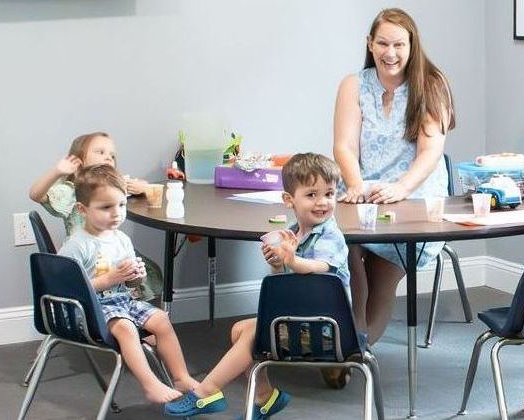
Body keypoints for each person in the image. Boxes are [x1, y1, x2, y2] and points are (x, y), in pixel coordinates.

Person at [164, 153, 349, 418]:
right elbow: (287, 283)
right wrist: (278, 263)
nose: (322, 202)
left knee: (252, 334)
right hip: (300, 320)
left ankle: (207, 391)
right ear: (289, 200)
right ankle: (265, 398)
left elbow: (319, 267)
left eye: (329, 194)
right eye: (312, 195)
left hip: (327, 329)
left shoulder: (330, 236)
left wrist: (292, 260)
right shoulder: (294, 232)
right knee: (240, 329)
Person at [333, 8, 455, 347]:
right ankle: (350, 336)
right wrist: (355, 184)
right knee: (344, 250)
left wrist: (401, 187)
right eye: (383, 43)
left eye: (399, 44)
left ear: (412, 46)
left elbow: (430, 152)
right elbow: (343, 145)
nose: (391, 53)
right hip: (363, 190)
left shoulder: (431, 85)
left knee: (383, 273)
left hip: (413, 196)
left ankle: (354, 348)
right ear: (370, 44)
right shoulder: (353, 85)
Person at [58, 164, 198, 403]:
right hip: (91, 310)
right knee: (125, 327)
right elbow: (66, 289)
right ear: (82, 209)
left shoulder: (121, 239)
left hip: (122, 301)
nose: (116, 213)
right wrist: (109, 279)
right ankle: (150, 384)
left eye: (121, 205)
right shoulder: (78, 244)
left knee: (161, 319)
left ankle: (181, 376)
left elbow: (131, 284)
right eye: (106, 207)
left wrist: (136, 276)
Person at [29, 132, 163, 302]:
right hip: (88, 256)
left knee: (147, 270)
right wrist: (57, 172)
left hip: (112, 251)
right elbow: (36, 194)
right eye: (100, 152)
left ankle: (136, 315)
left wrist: (141, 187)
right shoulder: (71, 190)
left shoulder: (111, 187)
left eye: (112, 155)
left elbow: (147, 188)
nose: (108, 157)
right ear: (78, 161)